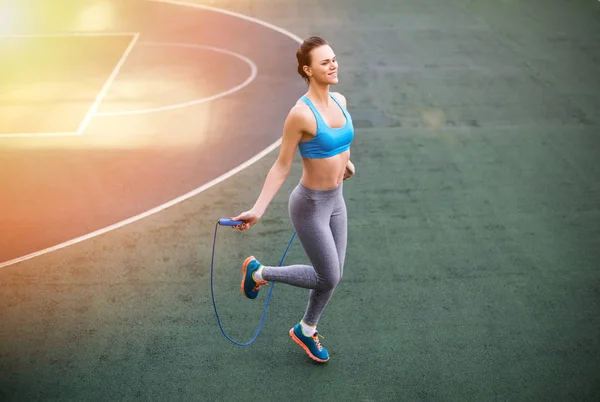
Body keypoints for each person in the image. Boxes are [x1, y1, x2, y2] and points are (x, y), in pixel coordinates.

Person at [230, 36, 355, 363]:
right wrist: (258, 209)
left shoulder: (340, 99)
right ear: (307, 70)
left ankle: (306, 329)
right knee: (329, 276)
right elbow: (282, 165)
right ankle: (258, 273)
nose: (333, 64)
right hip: (309, 207)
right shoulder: (300, 115)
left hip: (336, 202)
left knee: (332, 274)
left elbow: (341, 141)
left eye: (334, 58)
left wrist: (346, 163)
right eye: (324, 62)